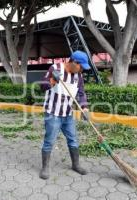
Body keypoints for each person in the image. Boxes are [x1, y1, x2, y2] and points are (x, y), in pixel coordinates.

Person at [39, 50, 90, 179]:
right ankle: (45, 167)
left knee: (73, 140)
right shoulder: (55, 68)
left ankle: (75, 164)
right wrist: (52, 80)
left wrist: (84, 108)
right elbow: (42, 86)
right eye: (81, 66)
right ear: (74, 62)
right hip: (53, 113)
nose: (82, 70)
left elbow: (81, 93)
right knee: (49, 141)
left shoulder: (78, 76)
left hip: (68, 114)